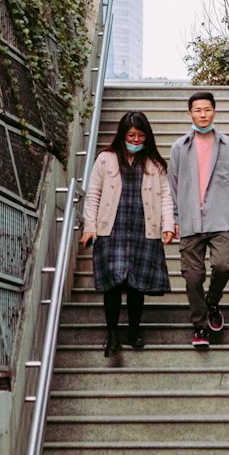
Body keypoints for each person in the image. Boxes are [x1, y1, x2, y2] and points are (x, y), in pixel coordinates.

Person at [81, 111, 174, 356]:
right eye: (131, 135)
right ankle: (112, 335)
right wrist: (89, 227)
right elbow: (93, 195)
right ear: (122, 135)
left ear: (147, 137)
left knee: (136, 285)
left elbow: (166, 197)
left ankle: (134, 330)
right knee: (111, 285)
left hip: (144, 229)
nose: (135, 140)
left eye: (140, 135)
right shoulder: (105, 159)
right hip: (112, 230)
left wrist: (168, 225)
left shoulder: (155, 164)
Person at [168, 90, 229, 349]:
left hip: (221, 219)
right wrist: (174, 218)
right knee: (192, 278)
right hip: (190, 221)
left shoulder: (228, 146)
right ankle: (200, 326)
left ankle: (212, 301)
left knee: (224, 266)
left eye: (207, 109)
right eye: (197, 110)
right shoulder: (179, 147)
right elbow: (173, 186)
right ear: (189, 113)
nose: (202, 114)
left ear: (214, 111)